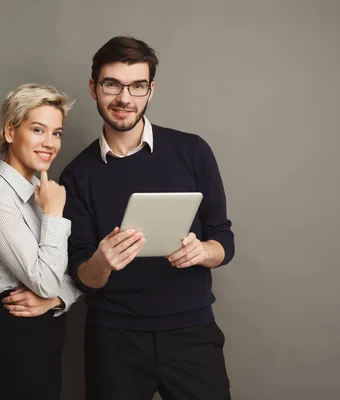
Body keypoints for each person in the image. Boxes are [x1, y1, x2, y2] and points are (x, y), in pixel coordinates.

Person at [59, 36, 235, 400]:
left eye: (137, 86)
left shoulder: (193, 151)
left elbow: (223, 240)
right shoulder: (76, 176)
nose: (125, 98)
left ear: (150, 90)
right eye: (112, 84)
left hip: (192, 332)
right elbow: (81, 273)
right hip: (113, 339)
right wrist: (101, 263)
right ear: (94, 88)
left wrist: (203, 251)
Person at [0, 83, 81, 400]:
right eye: (38, 130)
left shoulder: (40, 194)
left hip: (42, 346)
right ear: (9, 132)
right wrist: (56, 211)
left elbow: (68, 274)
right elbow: (47, 281)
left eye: (56, 133)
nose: (50, 143)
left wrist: (58, 299)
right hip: (13, 352)